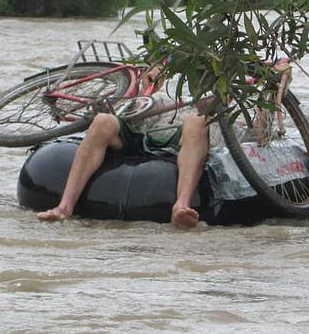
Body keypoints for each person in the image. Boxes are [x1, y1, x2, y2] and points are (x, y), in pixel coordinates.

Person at [37, 62, 211, 228]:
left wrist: (213, 105)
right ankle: (64, 207)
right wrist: (146, 87)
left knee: (197, 122)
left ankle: (181, 206)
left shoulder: (223, 83)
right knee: (102, 121)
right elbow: (134, 108)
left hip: (180, 137)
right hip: (142, 129)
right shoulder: (165, 67)